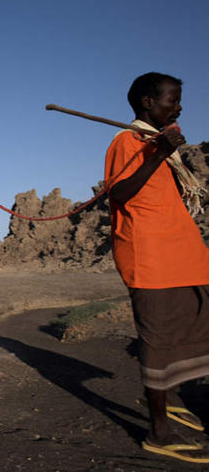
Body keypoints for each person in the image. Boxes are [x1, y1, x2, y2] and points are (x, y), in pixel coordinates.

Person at [105, 72, 209, 463]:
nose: (178, 106)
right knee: (157, 339)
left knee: (197, 327)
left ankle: (172, 400)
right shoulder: (126, 141)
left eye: (179, 100)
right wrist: (160, 153)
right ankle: (158, 434)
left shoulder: (155, 142)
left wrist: (164, 150)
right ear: (148, 102)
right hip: (151, 259)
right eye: (172, 100)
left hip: (184, 254)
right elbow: (119, 192)